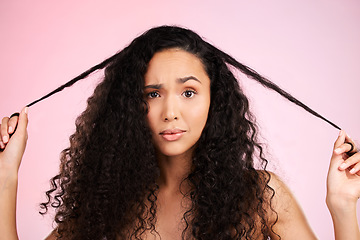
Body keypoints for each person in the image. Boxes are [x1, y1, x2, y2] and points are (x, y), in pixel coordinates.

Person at [0, 26, 359, 240]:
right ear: (130, 106)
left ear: (213, 100)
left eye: (188, 92)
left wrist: (342, 208)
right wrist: (5, 176)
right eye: (152, 94)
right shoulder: (104, 202)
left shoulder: (261, 198)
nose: (170, 112)